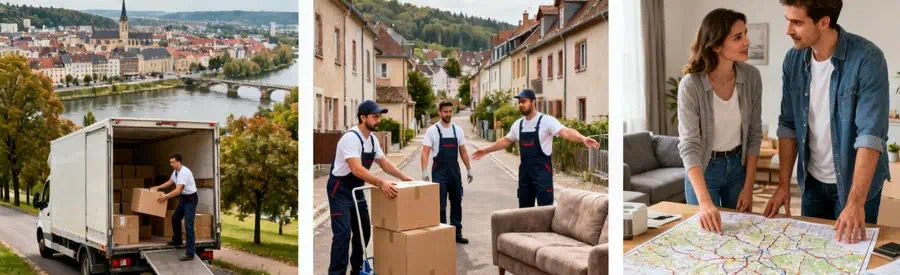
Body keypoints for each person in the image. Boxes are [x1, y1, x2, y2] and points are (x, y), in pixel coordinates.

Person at [765, 0, 889, 244]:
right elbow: (788, 124)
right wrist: (783, 185)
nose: (788, 30)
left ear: (824, 22)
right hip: (812, 183)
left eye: (797, 22)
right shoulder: (793, 60)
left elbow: (870, 136)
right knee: (811, 254)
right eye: (787, 20)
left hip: (856, 187)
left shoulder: (867, 59)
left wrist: (855, 202)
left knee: (851, 259)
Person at [677, 8, 763, 234]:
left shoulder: (751, 77)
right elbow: (689, 145)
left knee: (741, 237)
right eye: (738, 37)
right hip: (704, 171)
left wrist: (748, 186)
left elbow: (754, 134)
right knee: (707, 240)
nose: (747, 41)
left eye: (745, 33)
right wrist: (704, 201)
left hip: (737, 167)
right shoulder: (691, 85)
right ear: (716, 45)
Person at [472, 89, 601, 207]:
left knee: (545, 208)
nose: (521, 104)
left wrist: (583, 138)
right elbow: (505, 141)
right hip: (525, 173)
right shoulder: (518, 124)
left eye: (524, 101)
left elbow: (565, 132)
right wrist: (486, 150)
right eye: (519, 102)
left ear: (533, 102)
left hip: (542, 172)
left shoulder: (546, 121)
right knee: (524, 209)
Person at [327, 100, 414, 275]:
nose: (378, 120)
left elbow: (384, 163)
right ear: (363, 117)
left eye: (379, 116)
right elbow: (357, 169)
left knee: (364, 231)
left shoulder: (372, 140)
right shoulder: (350, 138)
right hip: (340, 190)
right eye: (375, 117)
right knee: (343, 234)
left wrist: (404, 177)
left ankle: (357, 269)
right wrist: (382, 183)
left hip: (356, 189)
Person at [421, 101, 473, 244]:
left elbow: (462, 151)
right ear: (439, 112)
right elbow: (425, 152)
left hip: (454, 172)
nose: (448, 114)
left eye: (450, 111)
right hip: (439, 172)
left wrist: (468, 168)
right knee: (440, 204)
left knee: (457, 202)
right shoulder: (432, 130)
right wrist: (424, 170)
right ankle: (442, 234)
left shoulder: (458, 130)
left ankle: (457, 233)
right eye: (445, 112)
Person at [150, 154, 198, 262]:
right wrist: (158, 187)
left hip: (191, 200)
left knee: (188, 225)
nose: (171, 164)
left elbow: (178, 190)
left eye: (173, 162)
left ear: (179, 162)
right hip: (184, 198)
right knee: (175, 218)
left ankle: (190, 253)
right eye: (170, 162)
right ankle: (177, 240)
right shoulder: (176, 171)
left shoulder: (184, 172)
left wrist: (165, 197)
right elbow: (170, 182)